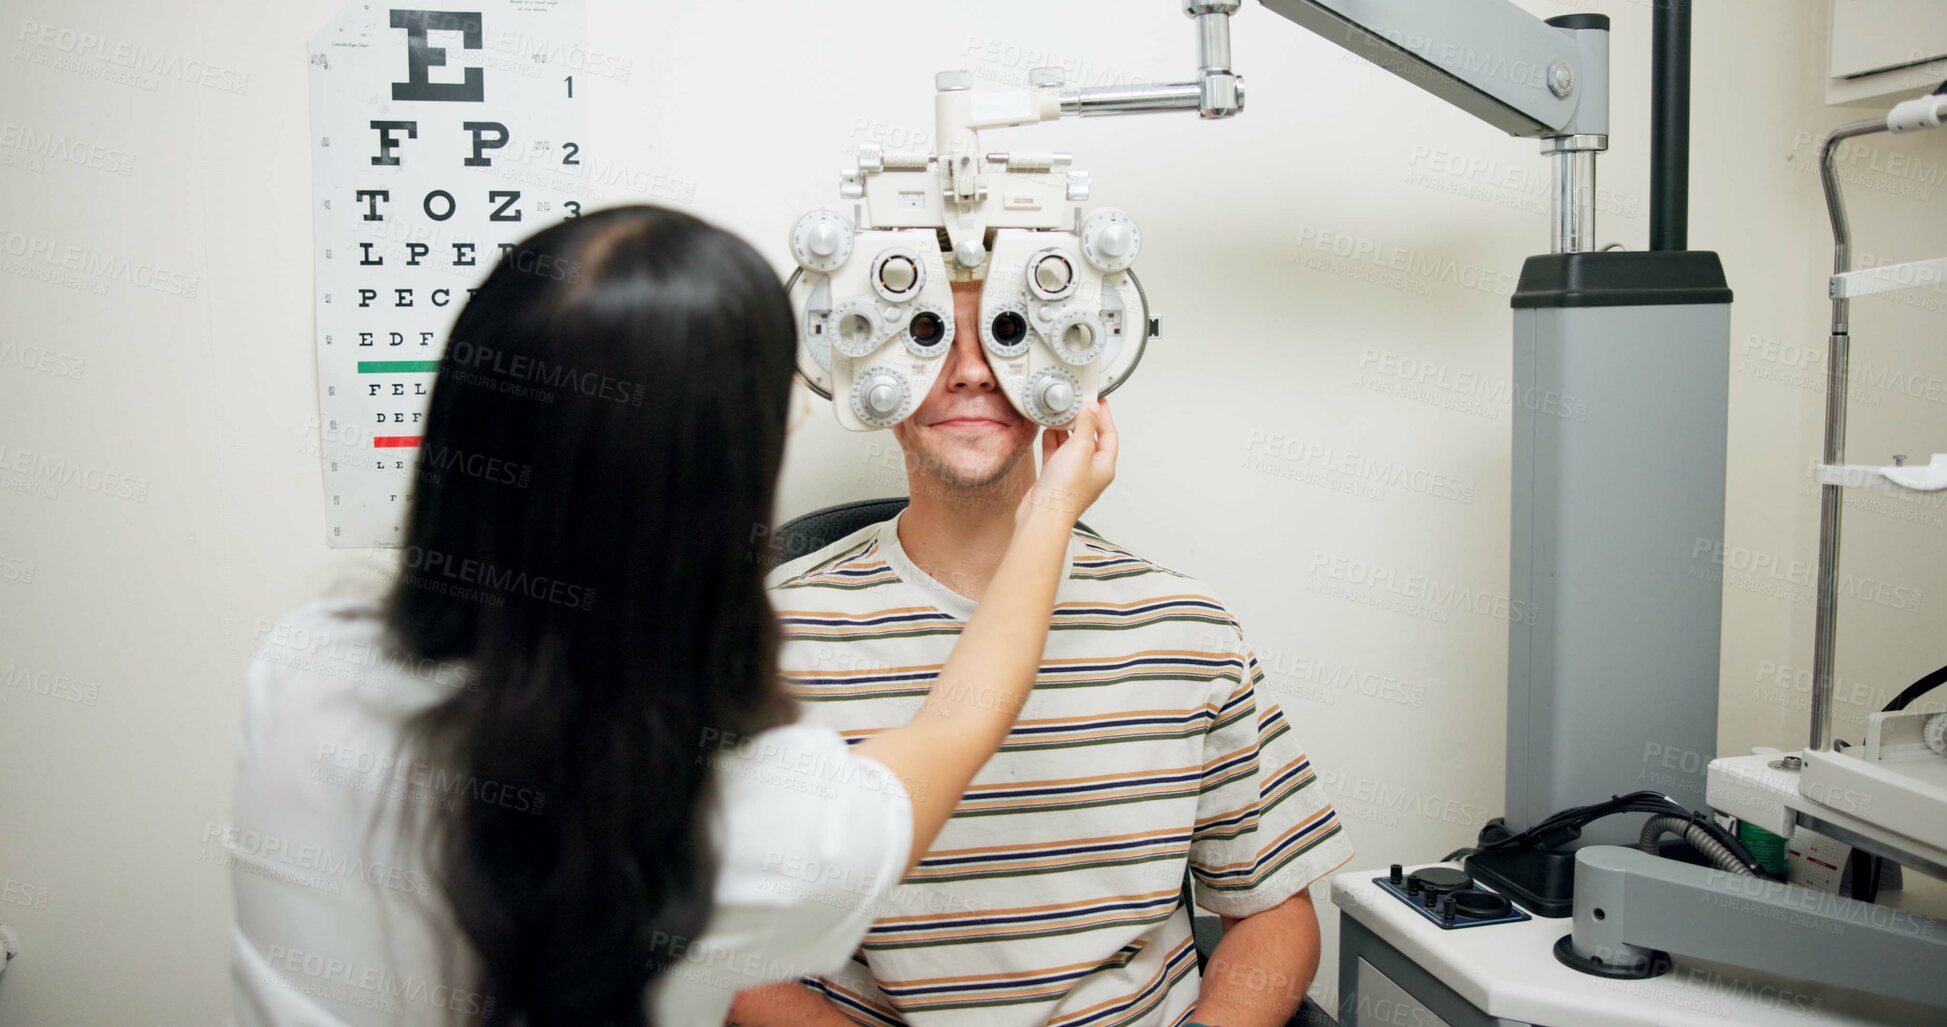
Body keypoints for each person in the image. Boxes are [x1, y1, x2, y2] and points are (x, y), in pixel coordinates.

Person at [226, 205, 1117, 1027]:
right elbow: (953, 731)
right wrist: (1051, 513)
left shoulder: (302, 664)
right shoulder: (740, 810)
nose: (966, 370)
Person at [733, 279, 1354, 1027]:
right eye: (926, 331)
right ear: (866, 370)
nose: (970, 369)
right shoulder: (770, 631)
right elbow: (729, 953)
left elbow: (1271, 911)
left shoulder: (1185, 624)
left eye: (1009, 332)